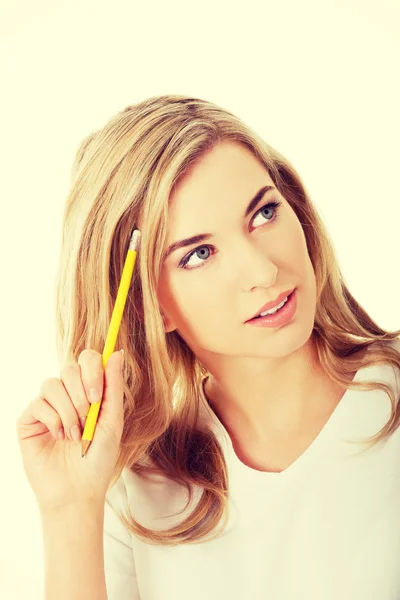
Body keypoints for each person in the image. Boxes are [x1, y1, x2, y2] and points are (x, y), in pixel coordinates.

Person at [16, 95, 400, 600]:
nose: (264, 272)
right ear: (150, 306)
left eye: (264, 213)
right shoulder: (131, 491)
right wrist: (68, 513)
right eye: (199, 253)